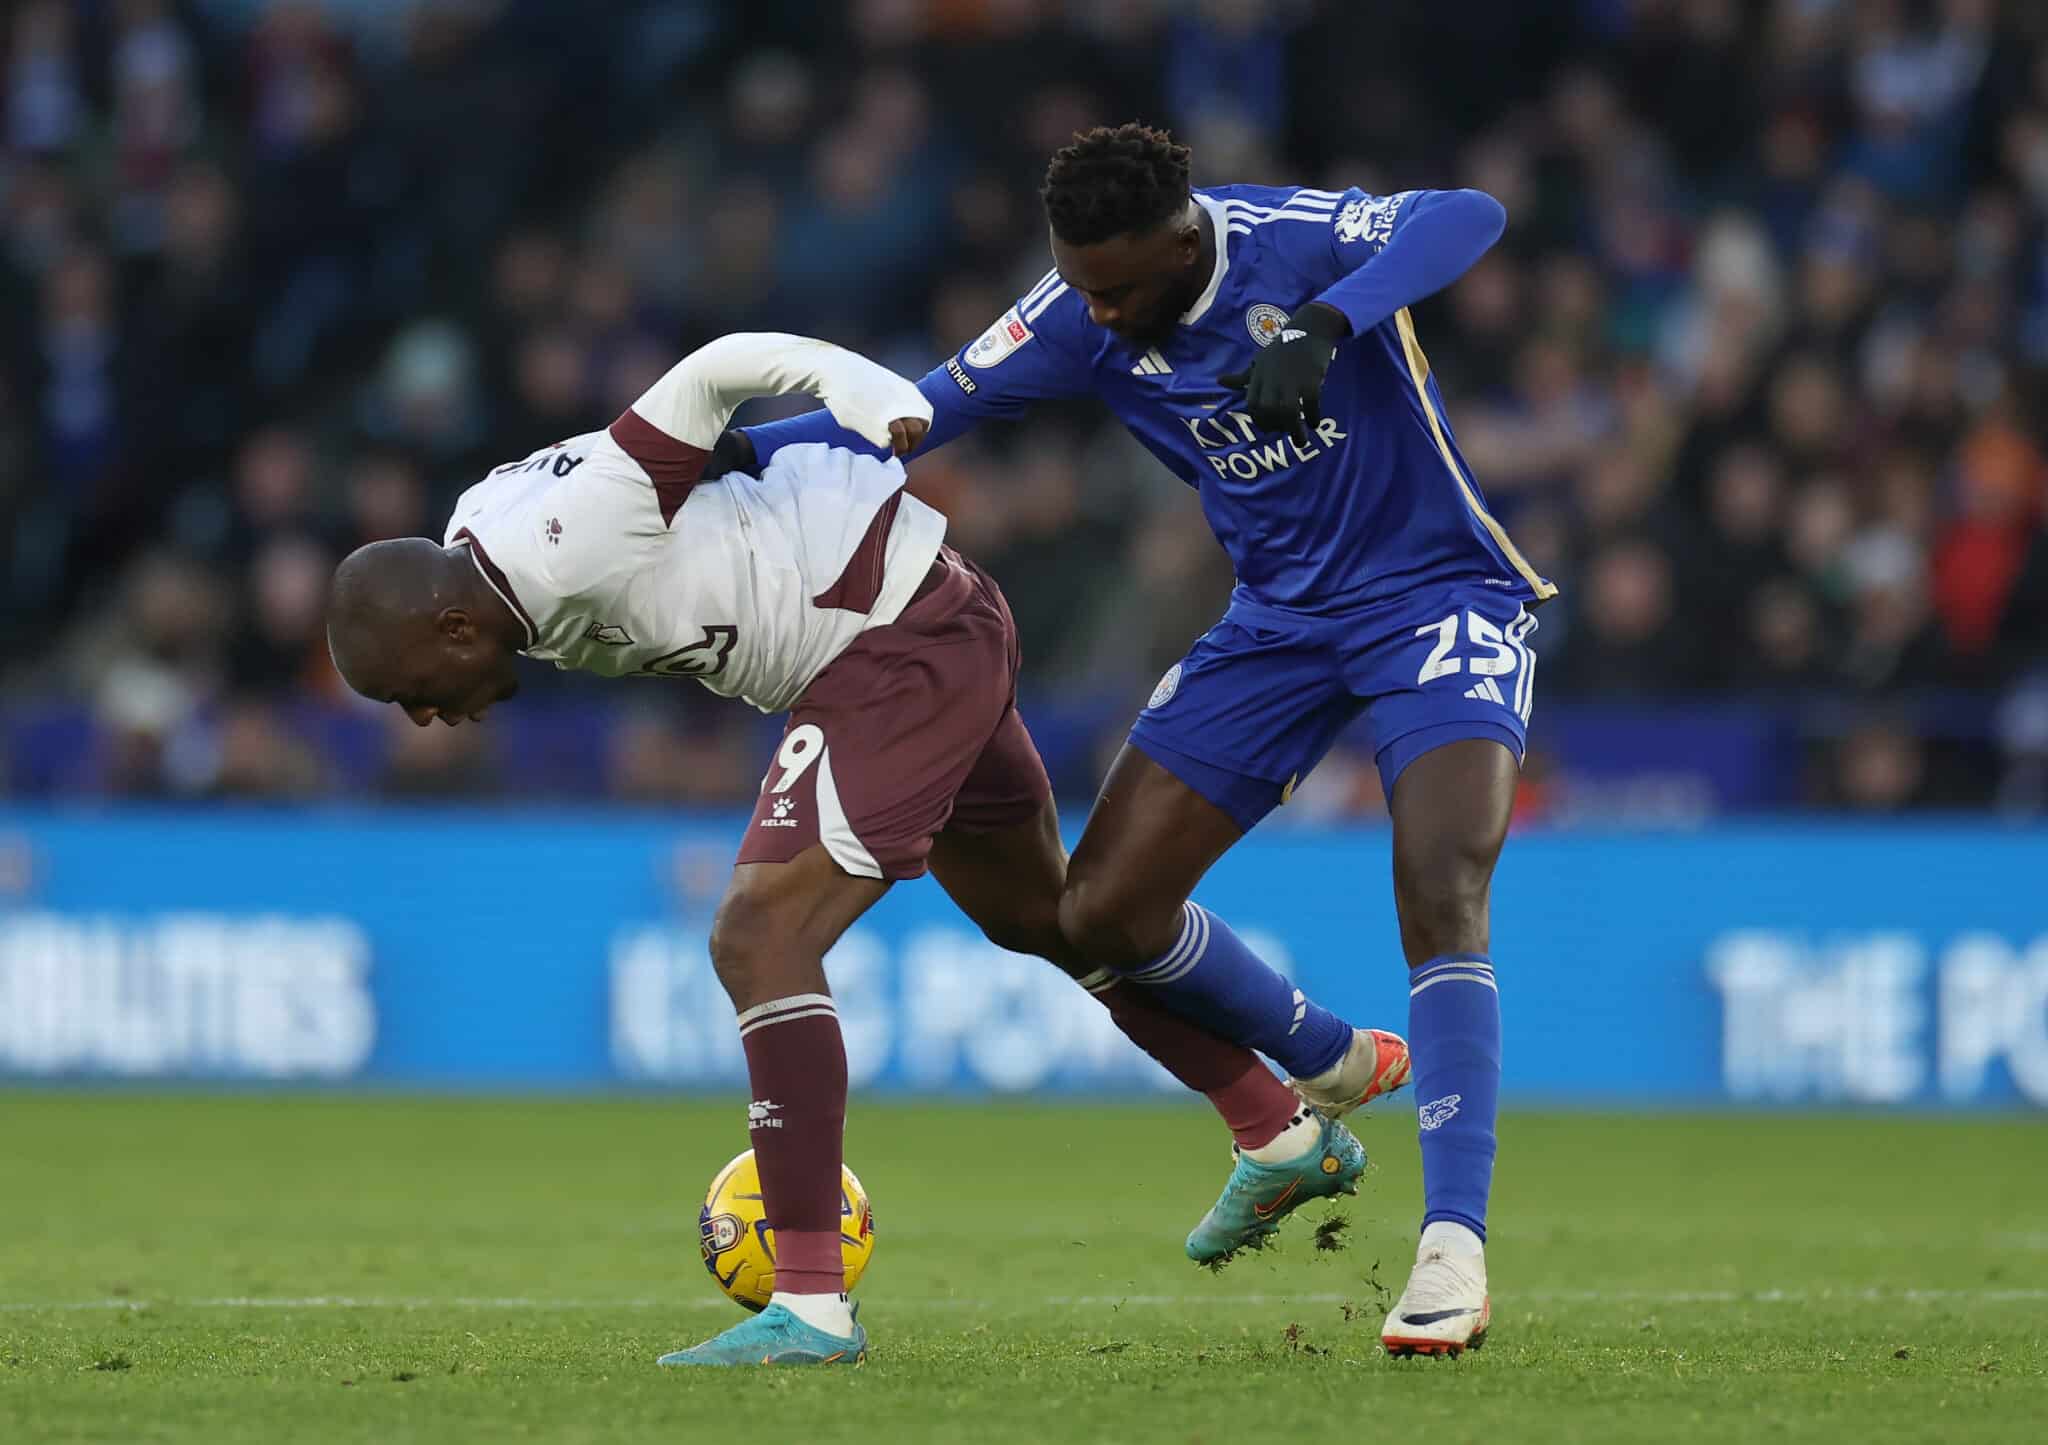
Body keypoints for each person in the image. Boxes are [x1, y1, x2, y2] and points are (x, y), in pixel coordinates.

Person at [325, 331, 1408, 1368]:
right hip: (923, 621)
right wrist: (799, 447)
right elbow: (728, 458)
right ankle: (1281, 1117)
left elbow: (717, 372)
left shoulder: (558, 531)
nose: (423, 718)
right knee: (1052, 917)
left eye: (410, 693)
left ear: (451, 630)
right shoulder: (492, 553)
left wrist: (866, 393)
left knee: (759, 933)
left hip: (889, 645)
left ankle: (807, 1301)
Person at [721, 124, 1552, 1358]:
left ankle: (1449, 1248)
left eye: (1117, 286)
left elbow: (1466, 213)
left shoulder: (1287, 240)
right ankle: (1319, 1063)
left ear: (1181, 240)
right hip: (1273, 623)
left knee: (1439, 876)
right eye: (1078, 279)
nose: (1096, 312)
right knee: (1098, 912)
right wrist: (719, 457)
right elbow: (919, 411)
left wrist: (1329, 322)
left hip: (1434, 594)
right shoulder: (1073, 309)